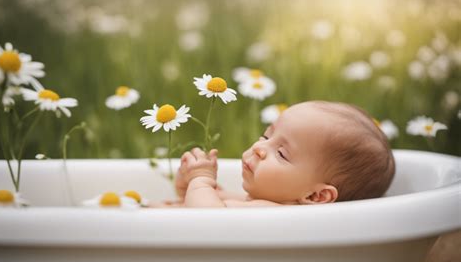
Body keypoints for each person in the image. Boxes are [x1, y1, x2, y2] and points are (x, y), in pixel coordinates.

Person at [152, 100, 395, 208]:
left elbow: (206, 222)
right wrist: (188, 184)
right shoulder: (250, 200)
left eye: (281, 153)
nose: (259, 148)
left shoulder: (270, 215)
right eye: (267, 136)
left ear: (317, 196)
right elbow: (193, 203)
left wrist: (201, 180)